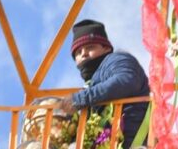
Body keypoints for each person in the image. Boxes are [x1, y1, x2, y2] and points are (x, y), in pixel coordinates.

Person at [60, 19, 149, 148]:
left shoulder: (116, 60)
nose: (83, 53)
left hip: (134, 143)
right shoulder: (91, 85)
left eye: (90, 47)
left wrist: (79, 99)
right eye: (78, 53)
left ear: (106, 48)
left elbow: (126, 80)